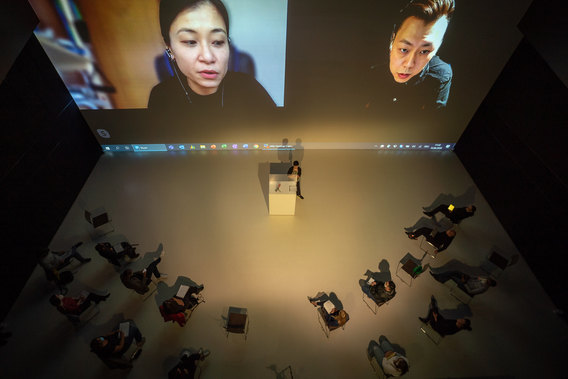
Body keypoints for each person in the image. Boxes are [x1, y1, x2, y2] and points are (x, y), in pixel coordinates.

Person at [148, 0, 275, 114]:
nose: (208, 57)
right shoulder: (160, 96)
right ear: (169, 47)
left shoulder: (250, 90)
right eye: (191, 41)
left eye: (218, 42)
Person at [366, 0, 455, 113]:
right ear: (392, 41)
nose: (409, 64)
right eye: (404, 49)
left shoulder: (441, 75)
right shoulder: (369, 67)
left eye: (424, 51)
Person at [430, 269, 496, 296]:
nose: (487, 279)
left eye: (488, 281)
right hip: (467, 280)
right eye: (489, 279)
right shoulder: (486, 279)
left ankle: (440, 278)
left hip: (466, 287)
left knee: (452, 277)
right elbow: (476, 277)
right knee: (455, 272)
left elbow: (471, 292)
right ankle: (439, 275)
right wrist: (468, 276)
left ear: (489, 284)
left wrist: (464, 282)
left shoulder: (483, 288)